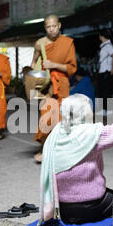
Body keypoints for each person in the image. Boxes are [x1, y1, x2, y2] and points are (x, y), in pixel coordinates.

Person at [39, 93, 113, 224]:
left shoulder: (56, 133)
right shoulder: (92, 134)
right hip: (90, 206)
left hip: (63, 208)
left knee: (111, 194)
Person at [31, 14, 77, 162]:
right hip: (46, 86)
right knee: (47, 117)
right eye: (48, 27)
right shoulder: (40, 44)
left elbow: (72, 68)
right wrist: (33, 78)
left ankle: (59, 153)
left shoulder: (68, 43)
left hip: (62, 84)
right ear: (45, 28)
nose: (51, 30)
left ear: (59, 26)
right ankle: (44, 150)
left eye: (54, 26)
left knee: (61, 119)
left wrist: (54, 65)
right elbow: (33, 63)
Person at [96, 29, 113, 115]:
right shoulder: (105, 45)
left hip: (106, 71)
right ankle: (104, 110)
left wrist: (112, 68)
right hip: (103, 71)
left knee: (106, 91)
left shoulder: (108, 45)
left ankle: (109, 111)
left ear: (101, 36)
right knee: (103, 91)